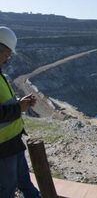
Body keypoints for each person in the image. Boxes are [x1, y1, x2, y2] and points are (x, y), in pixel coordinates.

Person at [0, 26, 41, 198]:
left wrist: (20, 103)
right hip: (3, 148)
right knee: (6, 190)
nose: (8, 58)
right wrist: (19, 108)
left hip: (14, 141)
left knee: (25, 183)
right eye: (7, 53)